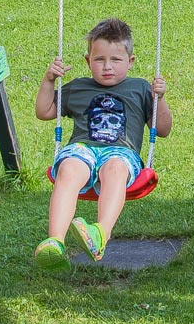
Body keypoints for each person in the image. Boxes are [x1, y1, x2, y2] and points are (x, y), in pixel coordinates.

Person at [34, 17, 169, 268]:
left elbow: (162, 129)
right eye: (99, 59)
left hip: (120, 152)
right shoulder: (79, 87)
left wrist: (159, 98)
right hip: (83, 148)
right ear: (88, 61)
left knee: (114, 168)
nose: (107, 67)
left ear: (130, 62)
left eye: (116, 60)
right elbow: (45, 111)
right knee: (69, 168)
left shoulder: (139, 88)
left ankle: (100, 234)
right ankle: (55, 242)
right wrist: (49, 80)